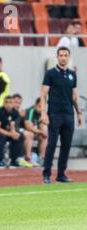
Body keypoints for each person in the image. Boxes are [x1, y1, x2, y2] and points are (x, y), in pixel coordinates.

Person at [40, 46, 83, 184]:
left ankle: (61, 174)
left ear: (68, 57)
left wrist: (79, 113)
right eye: (61, 55)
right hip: (54, 114)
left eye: (66, 55)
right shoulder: (50, 73)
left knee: (66, 145)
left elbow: (75, 97)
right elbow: (43, 94)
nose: (63, 57)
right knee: (52, 144)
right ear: (57, 57)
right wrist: (43, 113)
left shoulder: (72, 74)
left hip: (69, 114)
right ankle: (46, 174)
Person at [0, 96, 31, 168]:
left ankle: (14, 160)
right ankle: (0, 161)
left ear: (12, 103)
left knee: (18, 136)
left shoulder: (14, 112)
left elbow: (12, 125)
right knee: (2, 137)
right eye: (6, 102)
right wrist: (10, 134)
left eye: (10, 102)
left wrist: (13, 133)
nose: (8, 104)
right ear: (3, 103)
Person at [24, 98, 48, 166]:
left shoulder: (41, 113)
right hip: (23, 131)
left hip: (34, 132)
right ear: (35, 105)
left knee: (45, 134)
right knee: (30, 134)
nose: (41, 109)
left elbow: (45, 123)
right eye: (39, 106)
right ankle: (28, 158)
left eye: (43, 107)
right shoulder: (30, 111)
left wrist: (42, 127)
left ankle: (41, 158)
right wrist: (40, 131)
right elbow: (28, 126)